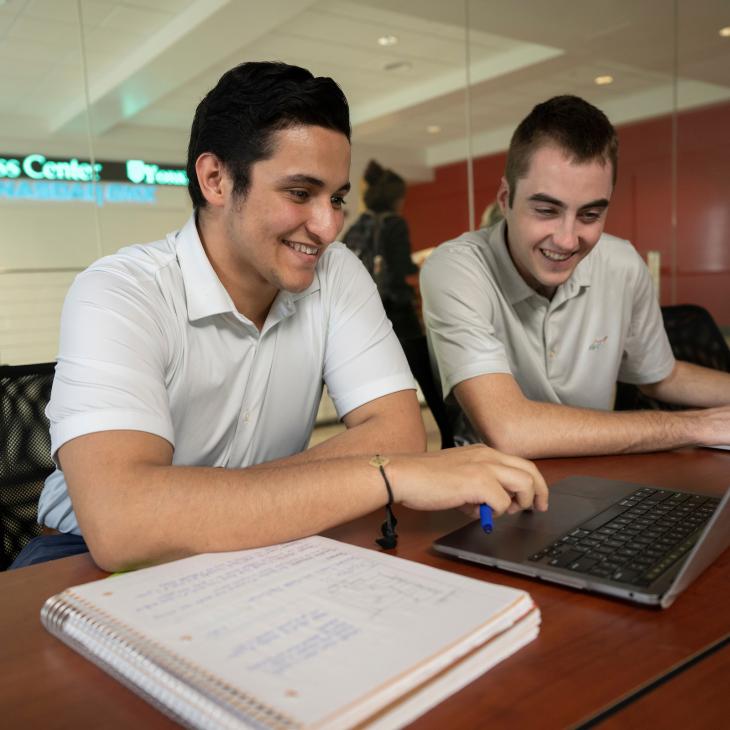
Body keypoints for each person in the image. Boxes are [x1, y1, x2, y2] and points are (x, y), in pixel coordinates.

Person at [11, 62, 547, 572]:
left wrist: (220, 501)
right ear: (216, 179)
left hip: (273, 541)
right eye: (300, 192)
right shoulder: (120, 292)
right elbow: (124, 524)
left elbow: (400, 436)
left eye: (337, 197)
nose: (328, 225)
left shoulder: (337, 272)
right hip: (83, 559)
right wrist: (384, 476)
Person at [421, 95, 730, 459]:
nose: (567, 240)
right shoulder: (456, 268)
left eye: (589, 215)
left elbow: (661, 376)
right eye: (546, 210)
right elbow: (511, 429)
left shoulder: (622, 264)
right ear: (505, 199)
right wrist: (700, 425)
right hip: (497, 489)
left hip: (603, 477)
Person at [343, 160, 422, 340]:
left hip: (362, 305)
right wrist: (419, 266)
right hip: (394, 307)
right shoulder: (395, 224)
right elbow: (401, 266)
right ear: (395, 198)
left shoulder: (359, 223)